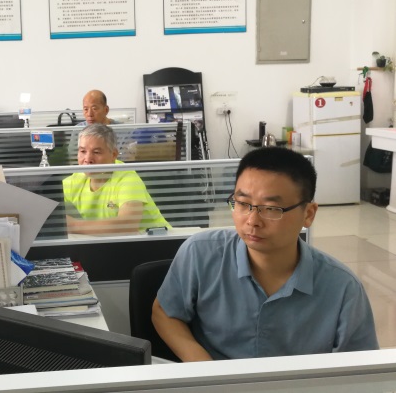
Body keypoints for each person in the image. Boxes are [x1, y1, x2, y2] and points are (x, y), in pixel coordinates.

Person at [152, 147, 378, 361]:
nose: (252, 221)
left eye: (271, 209)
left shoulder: (342, 289)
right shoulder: (200, 253)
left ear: (308, 214)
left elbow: (359, 368)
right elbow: (164, 311)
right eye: (243, 203)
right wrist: (205, 367)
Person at [63, 124, 170, 235]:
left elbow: (128, 225)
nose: (88, 159)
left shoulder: (127, 178)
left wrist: (73, 226)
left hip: (158, 241)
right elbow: (51, 201)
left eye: (96, 152)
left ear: (113, 154)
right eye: (82, 151)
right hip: (111, 243)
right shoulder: (77, 178)